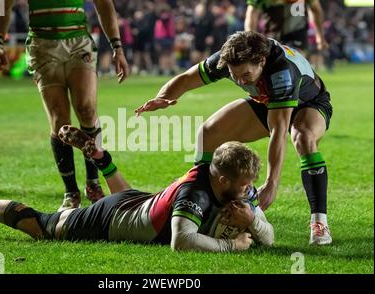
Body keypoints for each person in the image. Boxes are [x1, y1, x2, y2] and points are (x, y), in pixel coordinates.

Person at [135, 31, 332, 245]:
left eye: (245, 76)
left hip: (309, 104)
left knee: (303, 137)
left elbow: (278, 130)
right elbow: (186, 79)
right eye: (234, 75)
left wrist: (272, 183)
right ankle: (205, 202)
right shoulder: (226, 59)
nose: (239, 80)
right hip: (266, 101)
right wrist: (163, 98)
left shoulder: (281, 72)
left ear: (262, 62)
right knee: (209, 132)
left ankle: (319, 222)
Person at [0, 126, 273, 252]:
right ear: (223, 180)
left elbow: (268, 238)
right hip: (112, 217)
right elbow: (182, 242)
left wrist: (254, 222)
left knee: (144, 206)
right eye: (244, 186)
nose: (249, 192)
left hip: (137, 205)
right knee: (46, 227)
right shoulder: (196, 193)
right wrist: (230, 246)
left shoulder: (239, 188)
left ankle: (102, 160)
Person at [0, 0, 130, 211]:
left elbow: (105, 6)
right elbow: (1, 4)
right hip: (42, 45)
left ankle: (93, 183)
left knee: (87, 109)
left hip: (78, 42)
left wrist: (117, 47)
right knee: (59, 120)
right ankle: (70, 192)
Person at [244, 0, 328, 54]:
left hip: (297, 34)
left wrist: (320, 37)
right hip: (273, 36)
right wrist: (251, 40)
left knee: (293, 63)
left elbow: (316, 9)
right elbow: (252, 13)